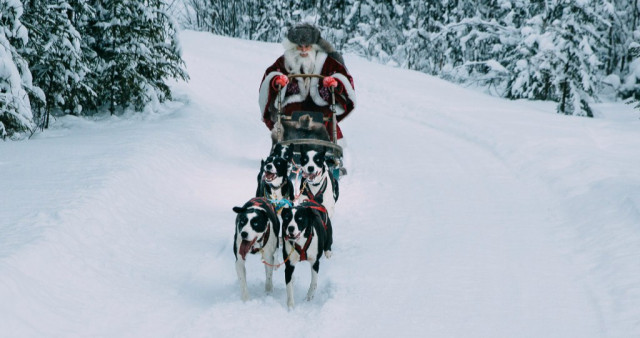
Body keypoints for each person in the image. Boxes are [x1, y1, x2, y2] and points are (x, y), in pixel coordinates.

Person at [258, 23, 356, 141]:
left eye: (307, 46)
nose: (303, 50)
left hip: (319, 106)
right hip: (293, 107)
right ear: (293, 46)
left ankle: (330, 147)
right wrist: (277, 80)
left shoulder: (326, 61)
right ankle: (286, 144)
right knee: (286, 116)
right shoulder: (286, 60)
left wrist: (335, 82)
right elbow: (272, 73)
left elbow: (341, 75)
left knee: (327, 116)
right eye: (300, 46)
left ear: (314, 46)